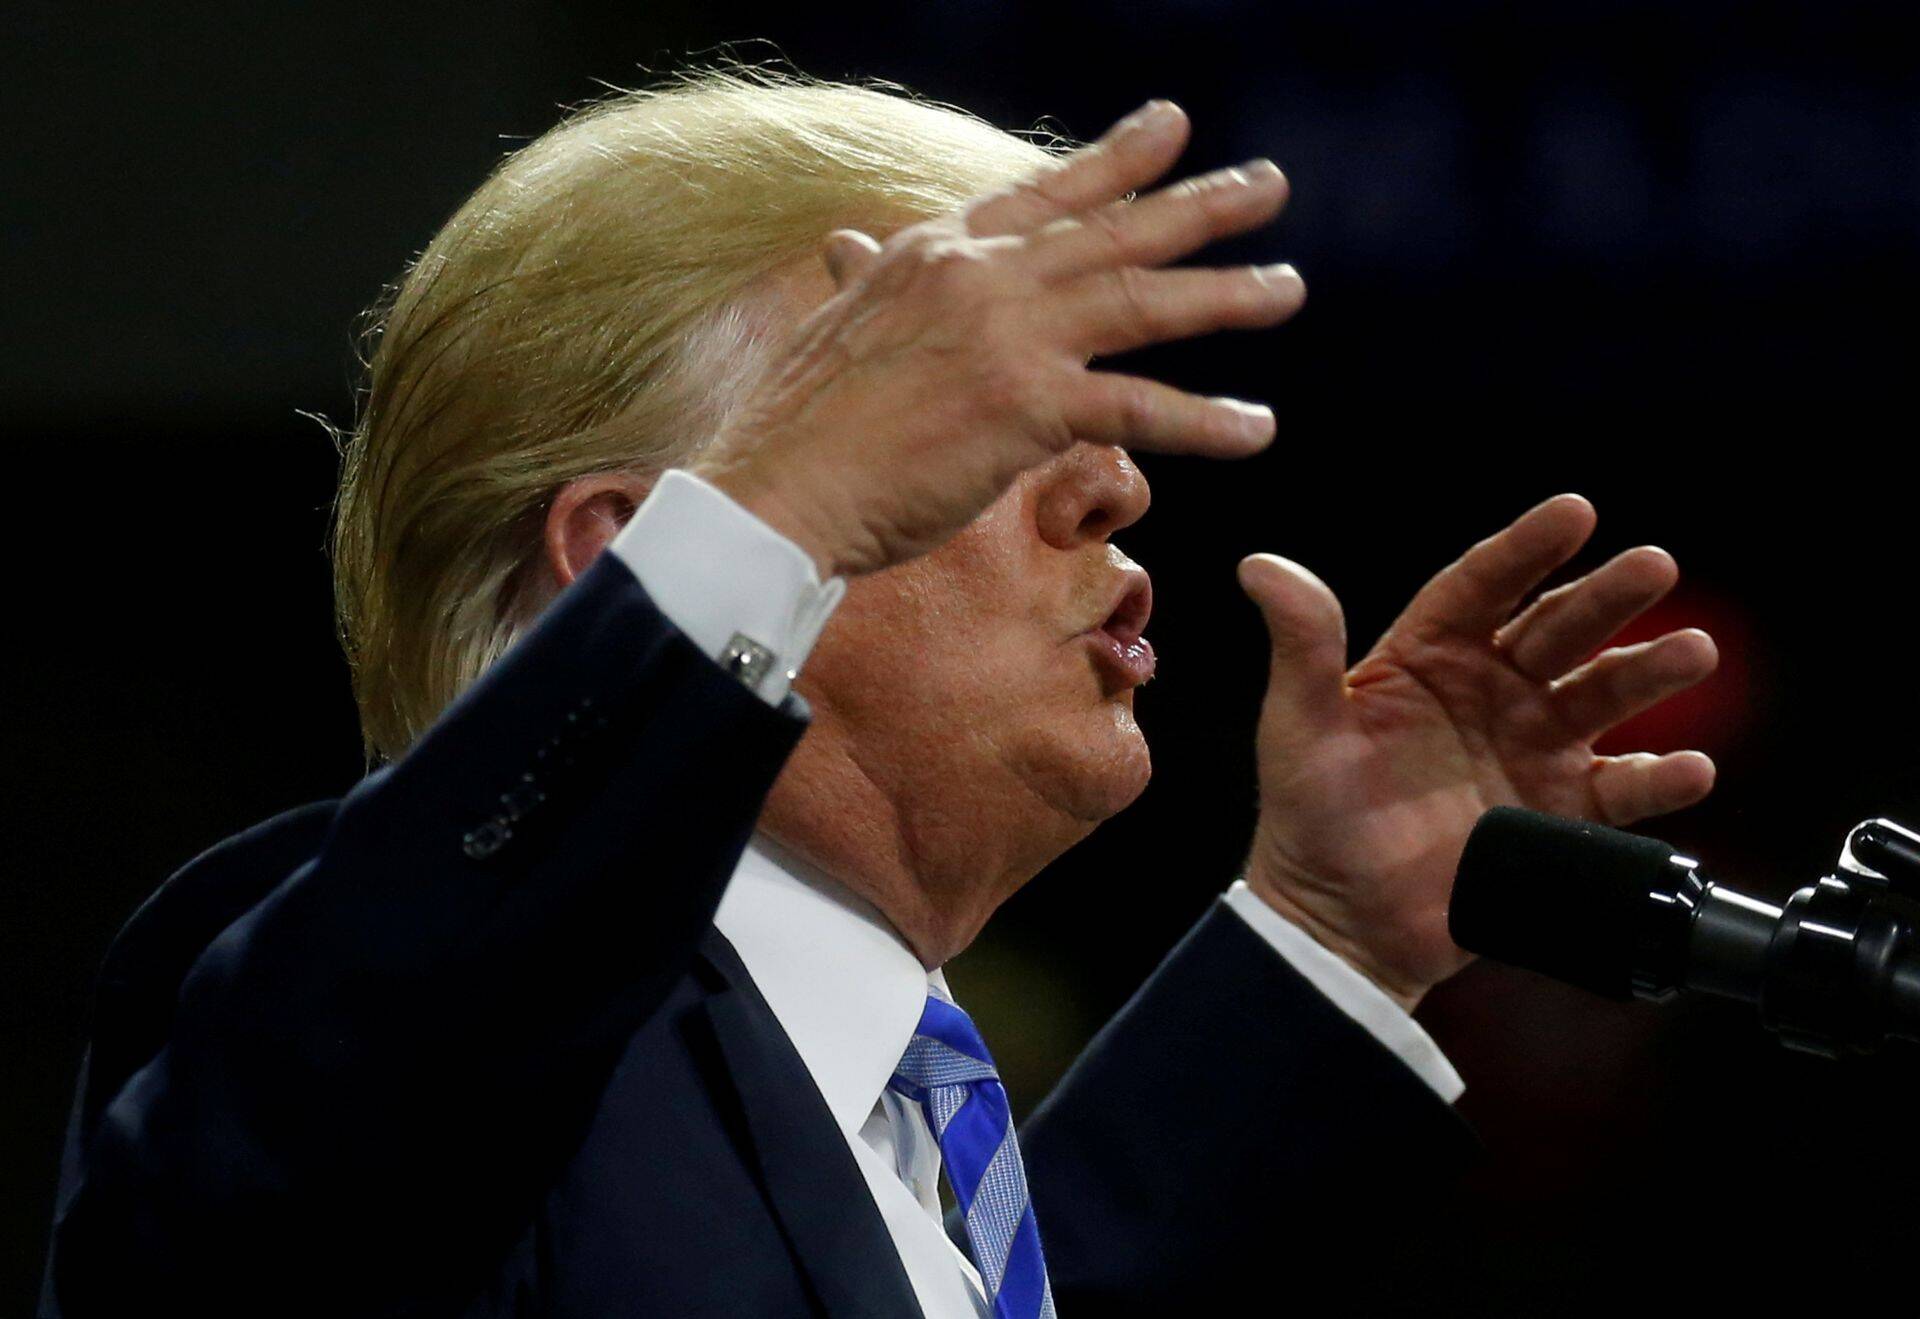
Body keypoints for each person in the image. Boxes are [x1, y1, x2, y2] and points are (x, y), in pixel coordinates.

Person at [41, 72, 1719, 1317]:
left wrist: (1332, 942)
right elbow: (297, 1166)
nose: (1113, 489)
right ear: (625, 557)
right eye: (967, 423)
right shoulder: (341, 1015)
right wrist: (775, 523)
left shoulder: (889, 1133)